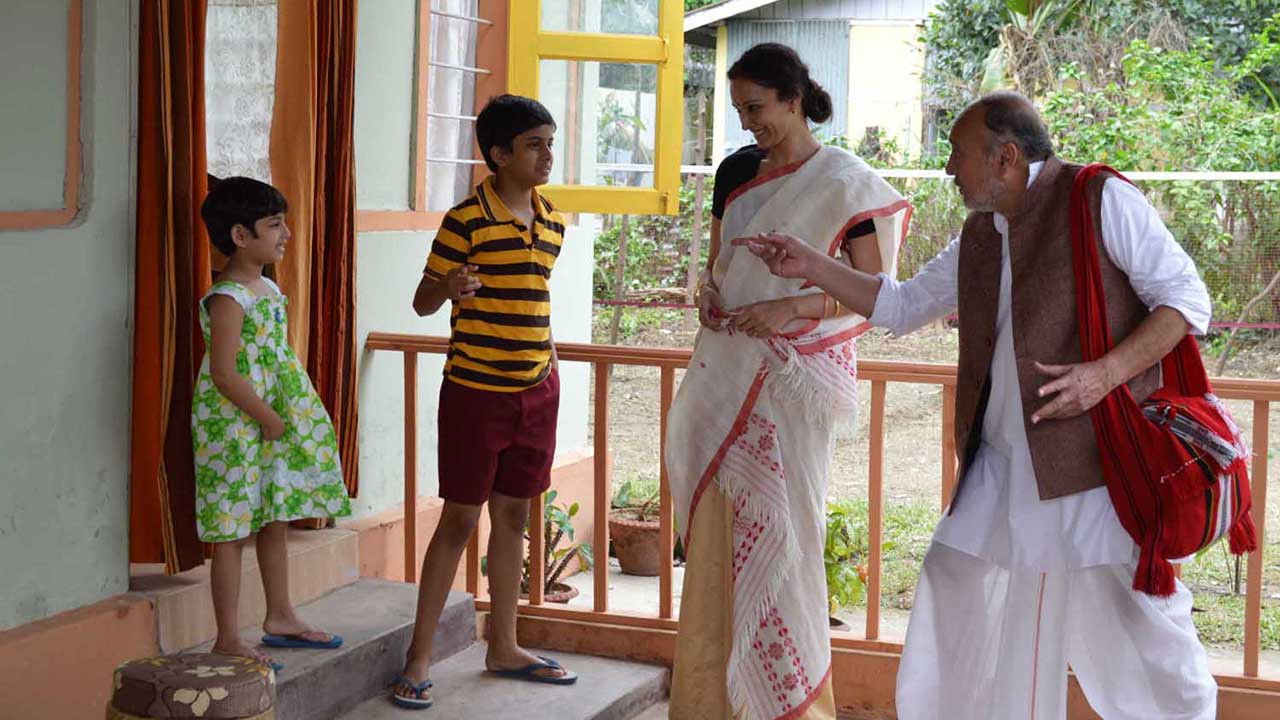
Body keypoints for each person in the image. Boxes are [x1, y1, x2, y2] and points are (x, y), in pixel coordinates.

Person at [737, 91, 1217, 720]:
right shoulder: (982, 233)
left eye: (957, 154)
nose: (947, 168)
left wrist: (1105, 374)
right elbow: (904, 305)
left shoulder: (1099, 200)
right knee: (956, 578)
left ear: (1007, 158)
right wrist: (812, 264)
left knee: (1133, 623)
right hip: (1003, 465)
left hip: (1091, 466)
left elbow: (1187, 299)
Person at [664, 43, 911, 720]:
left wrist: (792, 306)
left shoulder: (844, 183)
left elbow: (872, 293)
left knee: (787, 540)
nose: (749, 123)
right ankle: (708, 704)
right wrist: (710, 296)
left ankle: (790, 708)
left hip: (791, 387)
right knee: (716, 547)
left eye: (758, 107)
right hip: (726, 374)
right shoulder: (737, 172)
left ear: (794, 97)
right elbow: (720, 266)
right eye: (740, 109)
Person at [391, 94, 577, 711]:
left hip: (536, 390)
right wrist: (446, 286)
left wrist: (547, 364)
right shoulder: (464, 219)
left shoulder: (552, 220)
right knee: (460, 521)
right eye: (534, 145)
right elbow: (422, 301)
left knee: (516, 520)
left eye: (550, 142)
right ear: (499, 155)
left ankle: (505, 645)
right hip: (475, 393)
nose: (548, 154)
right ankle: (419, 657)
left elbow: (533, 299)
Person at [194, 176, 351, 670]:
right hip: (234, 425)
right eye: (274, 224)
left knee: (274, 516)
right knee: (231, 530)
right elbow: (223, 373)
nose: (286, 233)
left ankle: (280, 615)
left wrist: (283, 416)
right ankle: (226, 636)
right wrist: (267, 418)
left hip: (269, 421)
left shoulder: (267, 287)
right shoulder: (227, 297)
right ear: (241, 236)